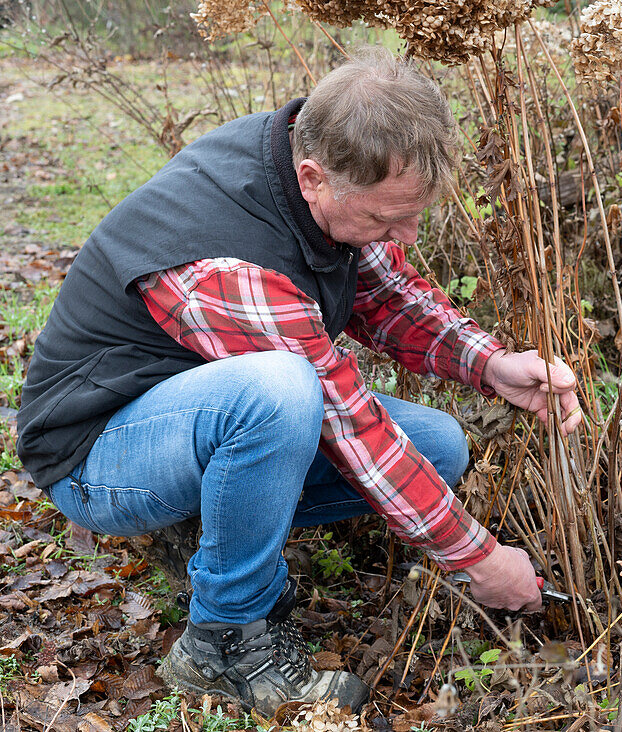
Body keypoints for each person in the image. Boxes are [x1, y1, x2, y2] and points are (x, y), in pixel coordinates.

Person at [15, 48, 584, 715]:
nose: (404, 234)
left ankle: (210, 535)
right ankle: (223, 641)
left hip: (192, 421)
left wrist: (490, 364)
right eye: (384, 219)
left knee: (439, 445)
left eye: (413, 213)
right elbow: (344, 421)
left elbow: (389, 294)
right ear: (314, 177)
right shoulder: (227, 261)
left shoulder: (314, 163)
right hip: (98, 455)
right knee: (281, 392)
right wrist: (481, 563)